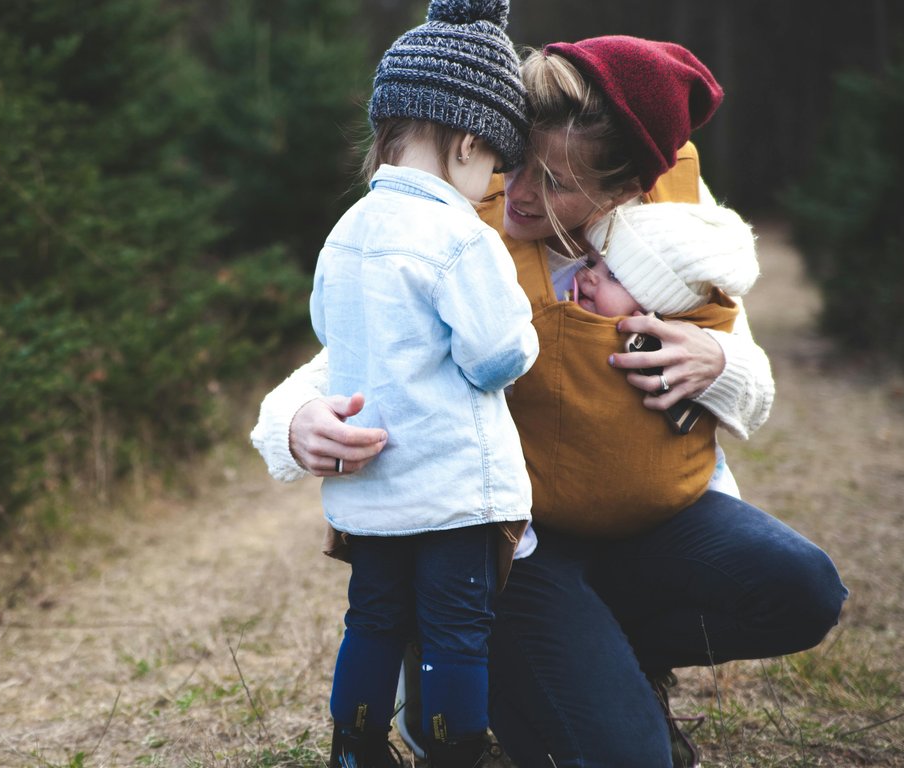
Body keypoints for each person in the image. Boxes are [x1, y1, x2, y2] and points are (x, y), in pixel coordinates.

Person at [252, 35, 848, 768]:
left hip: (651, 523)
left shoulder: (674, 232)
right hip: (515, 544)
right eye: (517, 162)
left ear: (628, 187)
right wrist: (292, 422)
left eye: (558, 182)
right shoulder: (459, 217)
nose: (523, 193)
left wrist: (719, 361)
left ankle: (595, 659)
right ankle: (456, 649)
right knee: (630, 759)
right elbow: (352, 349)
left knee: (805, 590)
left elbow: (751, 384)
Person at [311, 2, 537, 766]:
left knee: (372, 617)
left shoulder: (346, 231)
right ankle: (456, 749)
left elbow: (327, 327)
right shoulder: (459, 235)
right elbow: (496, 354)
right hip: (450, 490)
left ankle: (355, 746)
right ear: (469, 142)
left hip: (373, 489)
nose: (492, 187)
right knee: (454, 631)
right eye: (494, 167)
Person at [510, 201, 761, 539]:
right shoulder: (551, 297)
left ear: (652, 309)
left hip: (678, 507)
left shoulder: (679, 335)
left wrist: (721, 361)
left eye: (612, 275)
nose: (586, 275)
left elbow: (751, 405)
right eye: (592, 262)